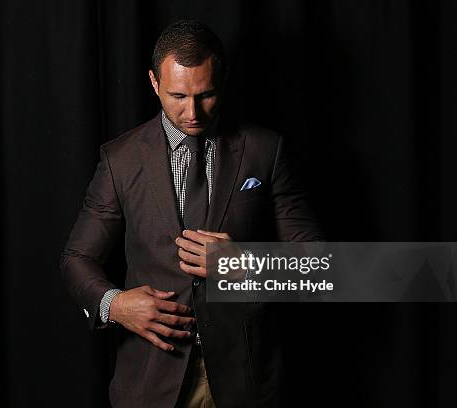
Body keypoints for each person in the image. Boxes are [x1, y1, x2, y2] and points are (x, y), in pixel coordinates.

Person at [61, 20, 323, 408]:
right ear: (153, 82)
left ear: (224, 79)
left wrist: (250, 266)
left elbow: (320, 265)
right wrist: (113, 304)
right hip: (150, 382)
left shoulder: (265, 151)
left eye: (206, 95)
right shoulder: (121, 159)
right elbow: (76, 259)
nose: (193, 112)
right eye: (177, 96)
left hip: (246, 384)